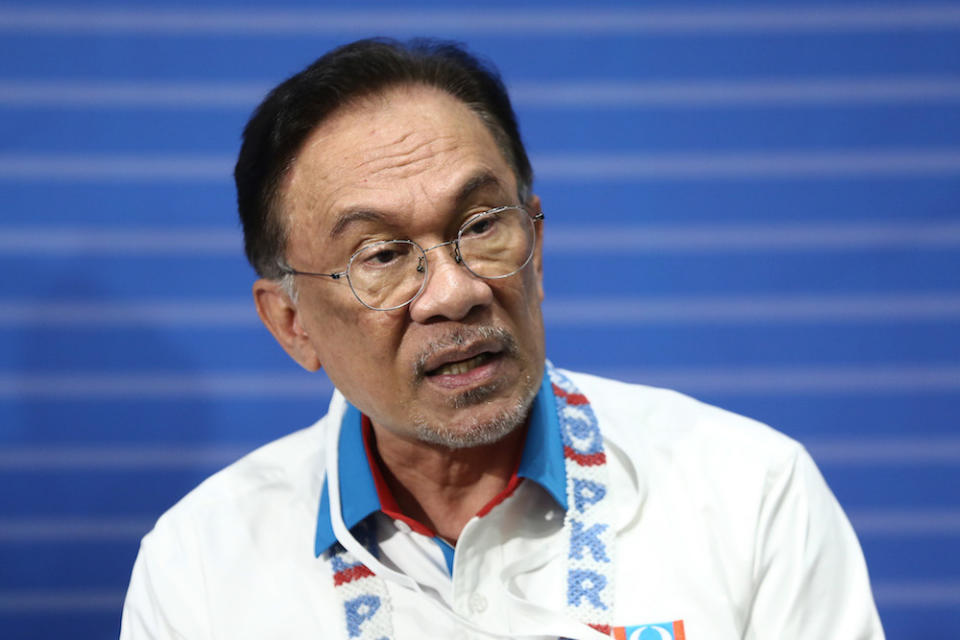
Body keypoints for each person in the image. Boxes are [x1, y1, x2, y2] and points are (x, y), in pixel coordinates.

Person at [120, 38, 884, 640]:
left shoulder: (748, 494)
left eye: (482, 226)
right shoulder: (201, 563)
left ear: (538, 247)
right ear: (292, 323)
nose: (455, 291)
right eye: (381, 256)